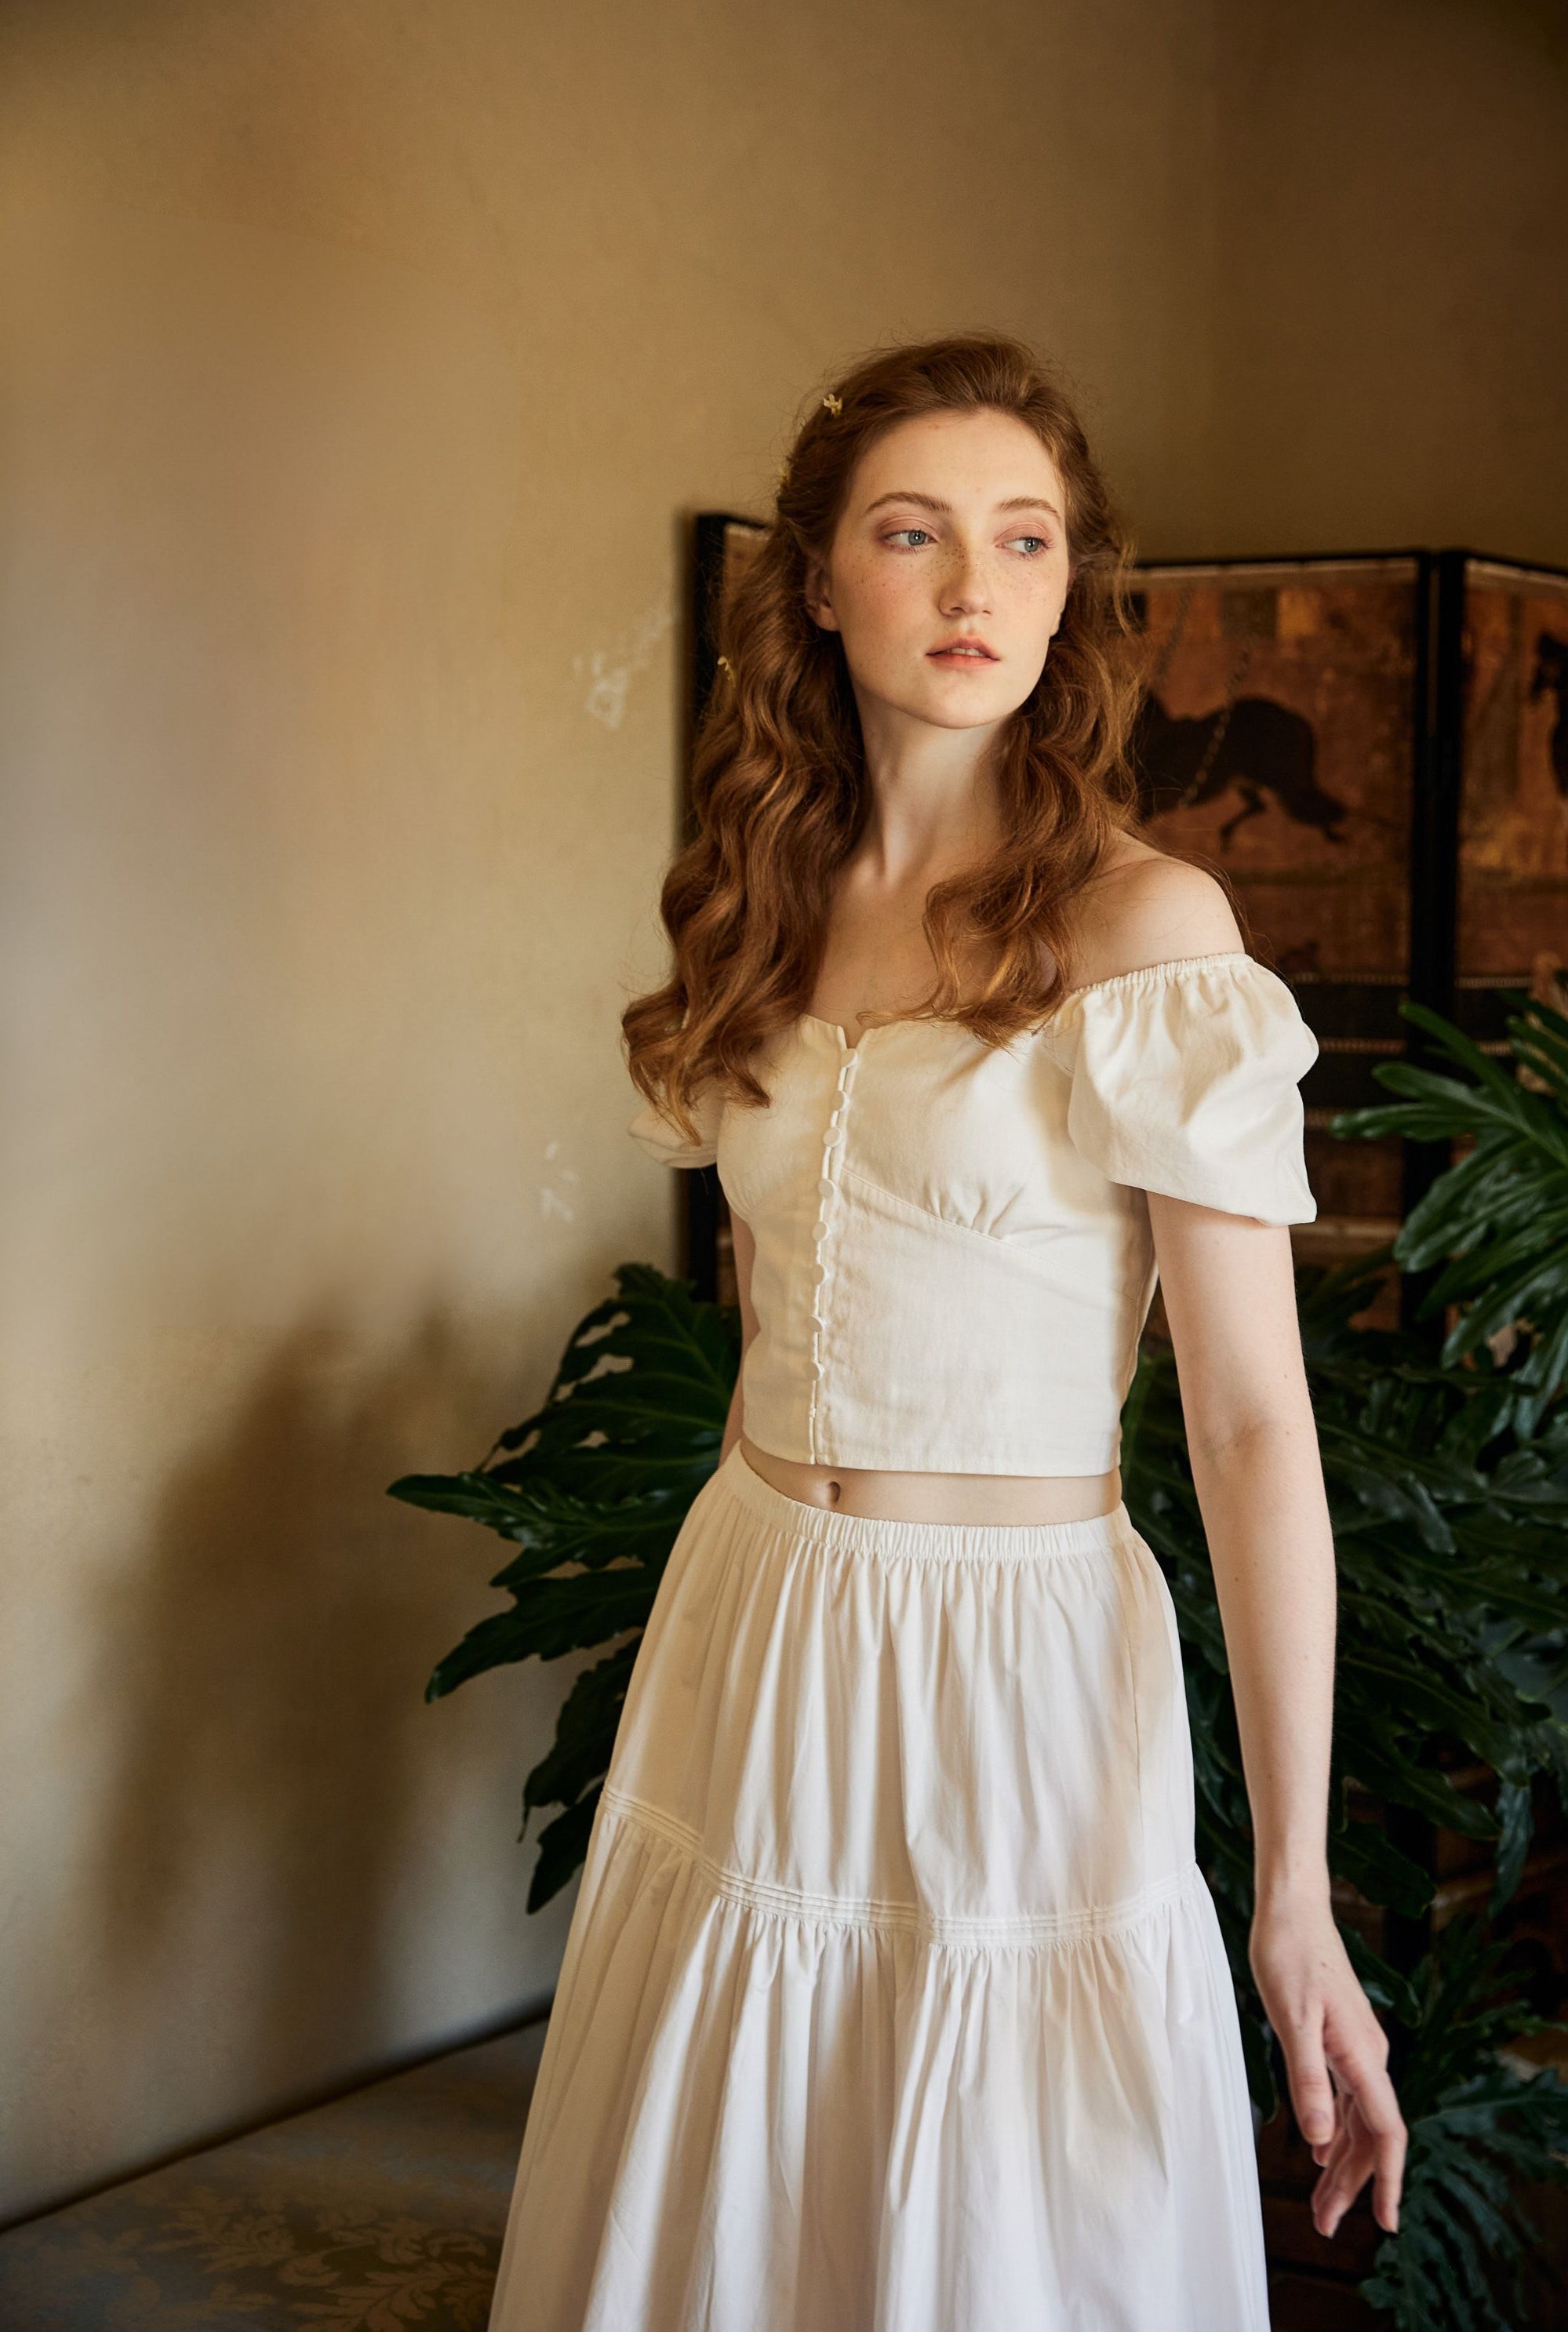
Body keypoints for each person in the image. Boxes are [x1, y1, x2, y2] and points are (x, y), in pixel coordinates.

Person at [486, 333, 1406, 2330]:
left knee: (992, 2229)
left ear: (1071, 588)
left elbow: (1251, 1428)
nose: (975, 584)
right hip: (755, 1614)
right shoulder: (759, 901)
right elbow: (784, 1289)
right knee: (741, 2200)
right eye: (913, 534)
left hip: (1014, 1663)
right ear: (820, 582)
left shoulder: (1144, 929)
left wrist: (1294, 1897)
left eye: (1025, 538)